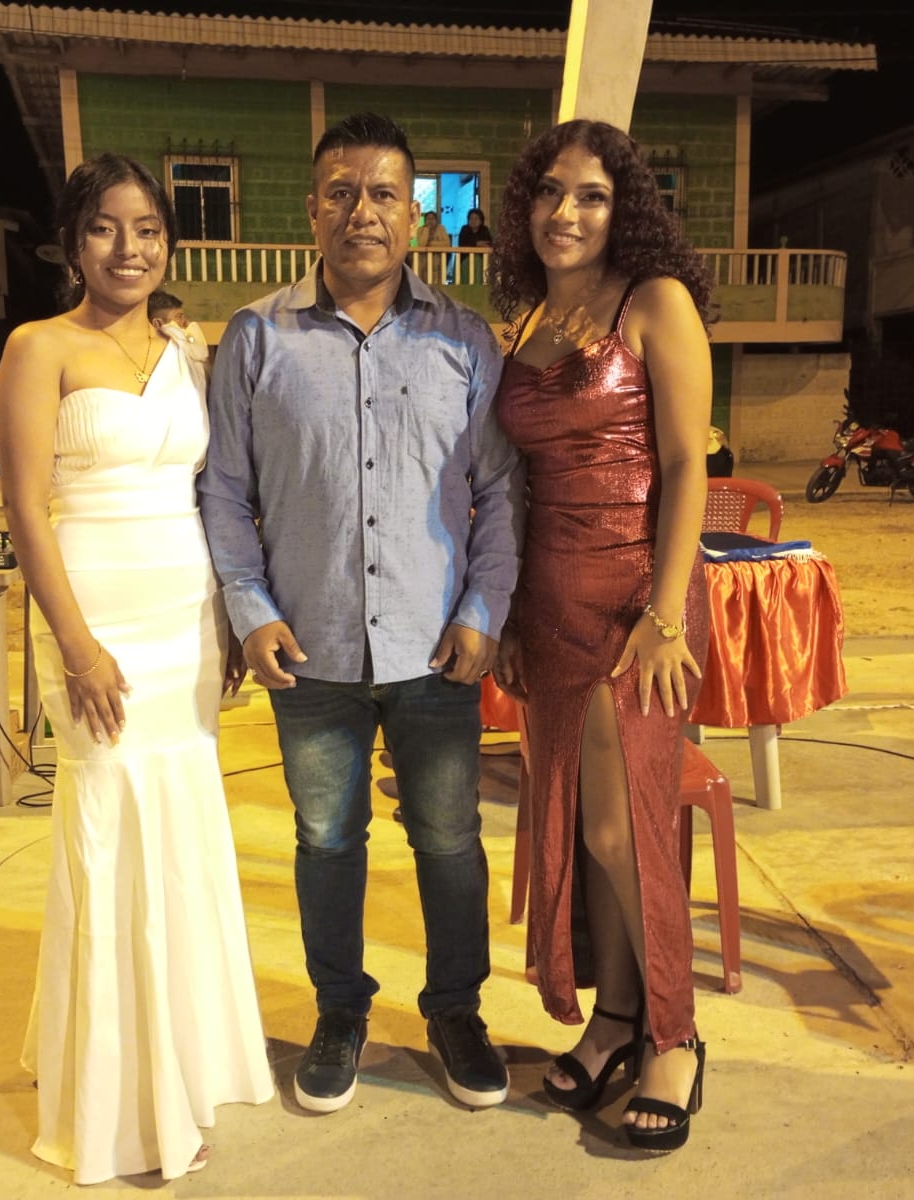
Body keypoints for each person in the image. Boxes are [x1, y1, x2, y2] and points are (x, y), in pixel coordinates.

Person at [199, 112, 523, 1115]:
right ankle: (340, 1010)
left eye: (384, 193)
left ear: (415, 218)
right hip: (312, 647)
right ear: (312, 209)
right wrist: (249, 608)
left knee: (449, 839)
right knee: (327, 841)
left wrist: (485, 607)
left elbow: (501, 489)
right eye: (341, 192)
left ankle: (455, 1010)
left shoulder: (463, 341)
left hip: (436, 646)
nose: (362, 212)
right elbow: (224, 491)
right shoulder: (256, 338)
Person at [0, 151, 272, 1184]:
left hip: (184, 615)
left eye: (148, 229)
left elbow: (209, 492)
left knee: (181, 826)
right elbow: (25, 509)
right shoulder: (38, 347)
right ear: (73, 242)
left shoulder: (183, 348)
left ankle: (184, 1064)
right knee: (108, 827)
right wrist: (74, 643)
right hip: (95, 617)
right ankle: (116, 1103)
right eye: (106, 228)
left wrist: (229, 620)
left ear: (167, 243)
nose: (129, 248)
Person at [488, 118, 716, 1154]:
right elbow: (518, 479)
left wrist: (665, 614)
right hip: (548, 600)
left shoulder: (653, 302)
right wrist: (503, 610)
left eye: (590, 195)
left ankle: (676, 1033)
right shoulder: (527, 318)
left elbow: (688, 463)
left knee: (627, 828)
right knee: (582, 829)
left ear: (624, 210)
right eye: (548, 191)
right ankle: (617, 1017)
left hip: (636, 603)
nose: (565, 212)